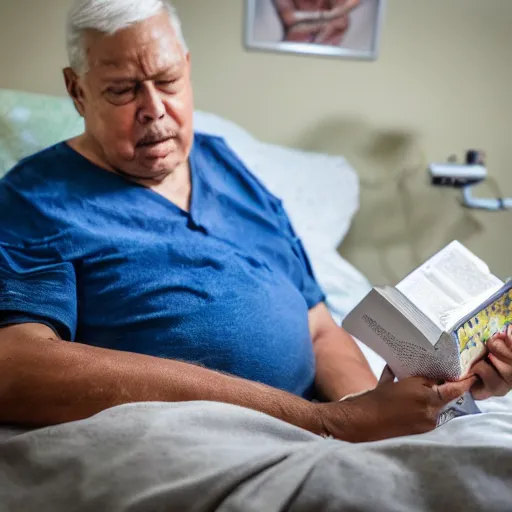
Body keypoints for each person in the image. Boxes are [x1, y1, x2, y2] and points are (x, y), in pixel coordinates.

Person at [0, 0, 509, 442]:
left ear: (188, 67)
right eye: (122, 90)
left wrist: (374, 410)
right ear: (77, 90)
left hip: (323, 427)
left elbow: (318, 327)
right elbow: (16, 367)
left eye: (168, 80)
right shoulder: (36, 197)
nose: (154, 109)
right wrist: (326, 423)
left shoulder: (227, 166)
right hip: (199, 441)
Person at [272, 0, 360, 45]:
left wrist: (334, 13)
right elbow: (288, 17)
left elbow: (342, 21)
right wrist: (324, 16)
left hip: (329, 49)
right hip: (296, 45)